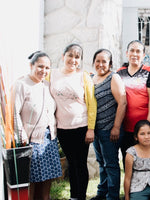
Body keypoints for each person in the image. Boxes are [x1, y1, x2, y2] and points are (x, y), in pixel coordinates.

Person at [48, 43, 97, 200]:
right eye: (70, 55)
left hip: (81, 127)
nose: (73, 60)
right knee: (71, 162)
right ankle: (73, 196)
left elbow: (91, 103)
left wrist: (91, 128)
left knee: (80, 163)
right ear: (63, 56)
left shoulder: (84, 76)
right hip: (62, 128)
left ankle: (80, 196)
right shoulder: (52, 74)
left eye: (77, 57)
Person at [13, 51, 62, 200]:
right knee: (32, 178)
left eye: (47, 68)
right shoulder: (21, 84)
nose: (44, 71)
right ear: (31, 65)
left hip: (49, 138)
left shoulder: (46, 85)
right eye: (40, 66)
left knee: (47, 176)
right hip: (30, 140)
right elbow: (15, 113)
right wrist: (22, 138)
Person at [90, 49, 127, 200]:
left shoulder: (113, 77)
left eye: (104, 61)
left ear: (110, 63)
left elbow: (123, 102)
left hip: (110, 130)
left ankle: (112, 196)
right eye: (98, 61)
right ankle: (102, 193)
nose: (100, 64)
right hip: (96, 131)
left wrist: (116, 127)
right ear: (93, 63)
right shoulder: (92, 78)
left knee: (111, 165)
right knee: (101, 163)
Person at [117, 40, 150, 167]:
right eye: (132, 51)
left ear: (143, 55)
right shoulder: (120, 73)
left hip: (143, 127)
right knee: (128, 160)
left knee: (144, 162)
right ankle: (130, 187)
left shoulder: (149, 72)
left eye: (138, 51)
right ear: (127, 53)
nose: (134, 54)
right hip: (125, 127)